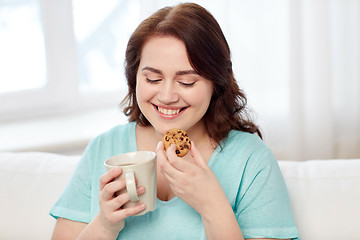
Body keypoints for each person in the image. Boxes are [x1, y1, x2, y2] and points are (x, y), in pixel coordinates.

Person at [50, 3, 300, 240]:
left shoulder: (252, 162)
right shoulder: (103, 150)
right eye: (153, 80)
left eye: (187, 82)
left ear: (216, 83)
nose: (167, 97)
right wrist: (105, 225)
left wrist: (213, 204)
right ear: (134, 78)